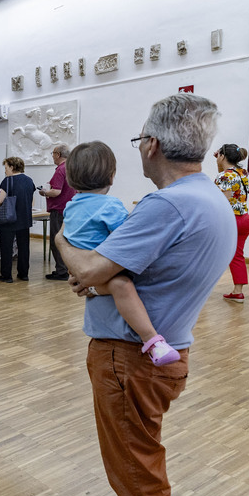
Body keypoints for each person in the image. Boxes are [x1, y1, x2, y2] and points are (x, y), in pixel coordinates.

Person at [55, 94, 236, 496]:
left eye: (139, 140)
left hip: (127, 359)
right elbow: (125, 273)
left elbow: (91, 268)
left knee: (137, 466)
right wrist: (96, 278)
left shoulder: (166, 205)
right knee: (139, 458)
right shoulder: (211, 198)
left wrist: (61, 243)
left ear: (152, 144)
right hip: (164, 351)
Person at [61, 141, 180, 366]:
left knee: (115, 286)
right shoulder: (110, 205)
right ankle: (152, 340)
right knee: (122, 285)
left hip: (80, 268)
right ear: (111, 176)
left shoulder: (71, 205)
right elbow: (129, 238)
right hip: (102, 270)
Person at [214, 143, 249, 302]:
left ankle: (197, 286)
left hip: (230, 220)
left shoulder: (224, 176)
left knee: (209, 252)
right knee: (237, 255)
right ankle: (238, 291)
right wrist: (220, 160)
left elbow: (224, 200)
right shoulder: (243, 172)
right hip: (244, 219)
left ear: (222, 156)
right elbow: (225, 174)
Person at [0, 157, 34, 282]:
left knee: (6, 247)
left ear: (12, 167)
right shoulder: (29, 180)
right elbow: (31, 200)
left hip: (9, 219)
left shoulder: (8, 181)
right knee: (24, 247)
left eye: (6, 168)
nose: (5, 171)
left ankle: (7, 276)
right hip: (25, 218)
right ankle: (23, 274)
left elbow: (0, 200)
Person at [38, 142, 76, 280]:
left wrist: (44, 192)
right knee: (67, 241)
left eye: (53, 153)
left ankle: (61, 271)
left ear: (58, 154)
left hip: (59, 210)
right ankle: (67, 268)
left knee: (57, 241)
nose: (52, 156)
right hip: (70, 209)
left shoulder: (60, 170)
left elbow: (56, 191)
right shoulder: (71, 168)